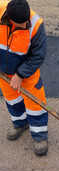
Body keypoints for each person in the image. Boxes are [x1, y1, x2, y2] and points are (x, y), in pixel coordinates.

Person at [0, 0, 48, 156]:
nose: (24, 25)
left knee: (35, 102)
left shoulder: (36, 25)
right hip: (3, 71)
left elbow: (38, 55)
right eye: (20, 24)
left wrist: (20, 74)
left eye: (25, 22)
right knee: (12, 99)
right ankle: (20, 124)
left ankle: (40, 136)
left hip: (26, 71)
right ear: (10, 19)